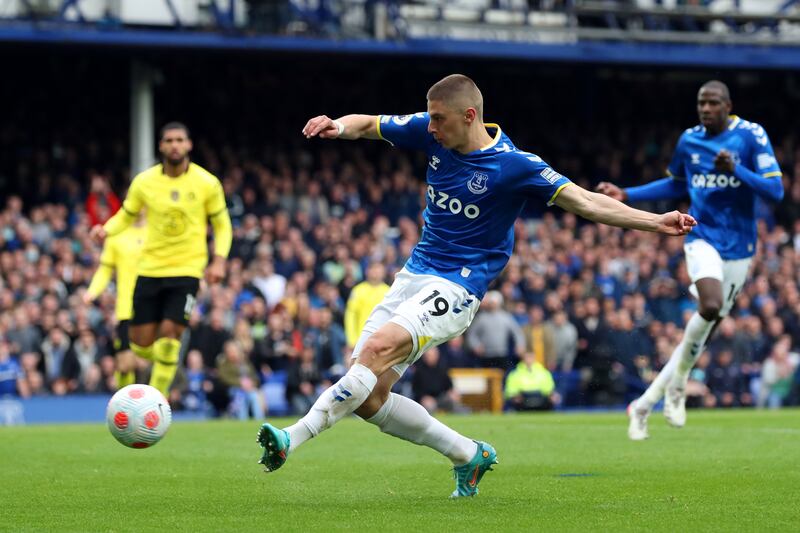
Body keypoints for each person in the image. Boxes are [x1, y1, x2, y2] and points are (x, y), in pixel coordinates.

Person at [257, 74, 696, 498]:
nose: (430, 127)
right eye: (429, 119)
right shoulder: (431, 132)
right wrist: (339, 126)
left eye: (439, 120)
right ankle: (468, 454)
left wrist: (656, 221)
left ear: (469, 116)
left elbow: (586, 201)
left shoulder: (515, 166)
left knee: (372, 354)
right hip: (414, 275)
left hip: (458, 286)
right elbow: (370, 124)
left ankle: (292, 438)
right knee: (369, 396)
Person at [596, 80, 784, 440]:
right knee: (710, 306)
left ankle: (643, 405)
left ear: (728, 105)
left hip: (740, 248)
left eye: (713, 103)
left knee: (701, 333)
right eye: (701, 103)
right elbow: (676, 184)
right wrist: (627, 193)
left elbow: (775, 190)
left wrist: (737, 170)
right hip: (700, 235)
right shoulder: (689, 140)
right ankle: (679, 384)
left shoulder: (751, 136)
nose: (706, 109)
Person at [90, 122, 233, 397]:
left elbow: (223, 225)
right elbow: (126, 214)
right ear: (161, 146)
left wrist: (219, 260)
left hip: (187, 270)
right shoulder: (145, 182)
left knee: (170, 336)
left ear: (189, 145)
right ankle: (161, 369)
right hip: (150, 269)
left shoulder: (207, 183)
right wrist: (104, 229)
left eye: (180, 140)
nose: (175, 145)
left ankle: (156, 400)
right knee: (141, 345)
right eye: (169, 140)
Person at [83, 213, 146, 389]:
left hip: (153, 305)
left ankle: (156, 401)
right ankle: (126, 405)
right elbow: (105, 270)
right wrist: (92, 292)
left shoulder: (158, 233)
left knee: (151, 358)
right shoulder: (117, 235)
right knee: (125, 363)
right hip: (126, 308)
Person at [344, 262, 390, 354]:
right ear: (367, 271)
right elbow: (350, 316)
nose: (376, 272)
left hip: (382, 341)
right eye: (373, 269)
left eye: (378, 270)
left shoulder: (389, 291)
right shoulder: (358, 290)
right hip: (360, 341)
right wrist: (351, 340)